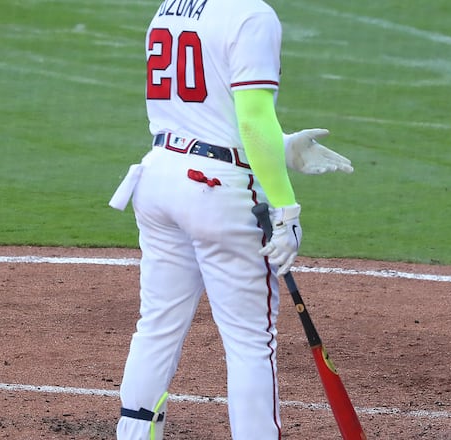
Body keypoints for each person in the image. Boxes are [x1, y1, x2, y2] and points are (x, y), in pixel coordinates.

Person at [107, 1, 353, 439]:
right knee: (250, 343)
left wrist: (283, 147)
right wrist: (286, 207)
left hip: (159, 175)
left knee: (158, 325)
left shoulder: (171, 7)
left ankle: (133, 434)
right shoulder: (252, 15)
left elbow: (207, 110)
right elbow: (252, 117)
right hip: (217, 190)